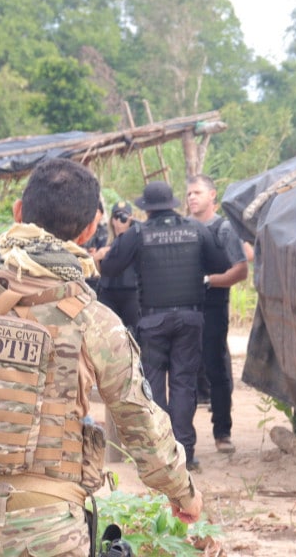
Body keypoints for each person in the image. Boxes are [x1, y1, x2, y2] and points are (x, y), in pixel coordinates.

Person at [0, 159, 201, 557]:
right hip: (49, 532)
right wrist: (182, 493)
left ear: (18, 212)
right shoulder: (94, 321)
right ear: (87, 232)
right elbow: (141, 427)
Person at [97, 180, 230, 470]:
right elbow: (220, 263)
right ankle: (185, 453)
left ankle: (160, 453)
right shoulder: (196, 229)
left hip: (153, 320)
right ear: (173, 204)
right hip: (190, 318)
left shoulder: (137, 233)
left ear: (146, 208)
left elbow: (108, 268)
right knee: (184, 383)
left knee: (155, 384)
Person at [186, 174, 249, 454]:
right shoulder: (182, 227)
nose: (192, 198)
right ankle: (181, 437)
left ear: (212, 195)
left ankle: (222, 433)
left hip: (213, 307)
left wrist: (209, 280)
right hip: (184, 307)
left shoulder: (223, 229)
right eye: (188, 193)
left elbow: (240, 270)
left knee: (217, 371)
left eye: (197, 192)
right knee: (183, 371)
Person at [95, 201, 141, 335]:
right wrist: (97, 257)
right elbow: (98, 273)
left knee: (134, 333)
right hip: (108, 292)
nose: (119, 220)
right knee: (107, 333)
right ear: (111, 220)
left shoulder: (137, 240)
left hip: (131, 293)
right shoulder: (105, 240)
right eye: (116, 216)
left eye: (124, 216)